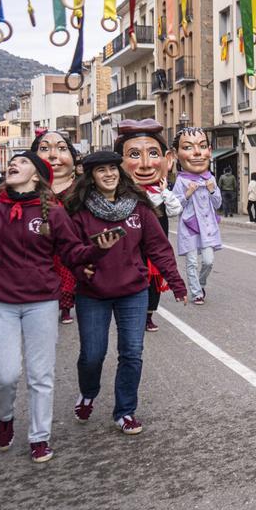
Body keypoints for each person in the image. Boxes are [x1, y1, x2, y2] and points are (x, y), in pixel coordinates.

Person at [0, 153, 118, 463]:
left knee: (40, 374)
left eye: (22, 162)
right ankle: (5, 416)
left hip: (41, 302)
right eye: (13, 162)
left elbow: (73, 252)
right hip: (0, 302)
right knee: (4, 375)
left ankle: (39, 437)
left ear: (37, 175)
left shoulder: (53, 214)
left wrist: (97, 250)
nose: (14, 164)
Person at [64, 151, 187, 435]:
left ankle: (125, 411)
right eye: (101, 170)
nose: (109, 174)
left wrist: (176, 283)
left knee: (132, 352)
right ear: (91, 177)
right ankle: (88, 392)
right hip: (93, 294)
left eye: (113, 169)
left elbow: (158, 248)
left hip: (133, 290)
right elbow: (69, 252)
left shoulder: (139, 208)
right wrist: (83, 269)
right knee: (93, 355)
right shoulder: (79, 212)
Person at [114, 119, 182, 334]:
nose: (145, 163)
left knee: (153, 281)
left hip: (156, 248)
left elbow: (174, 210)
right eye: (134, 154)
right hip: (129, 249)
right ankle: (131, 314)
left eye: (153, 154)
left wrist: (164, 192)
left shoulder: (161, 193)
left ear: (167, 160)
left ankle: (149, 315)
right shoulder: (119, 194)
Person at [32, 129, 81, 325]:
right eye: (44, 149)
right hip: (40, 244)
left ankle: (66, 307)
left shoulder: (82, 187)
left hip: (69, 244)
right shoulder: (30, 187)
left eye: (61, 149)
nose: (53, 155)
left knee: (67, 274)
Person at [171, 128, 222, 306]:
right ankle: (196, 293)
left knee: (208, 261)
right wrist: (187, 193)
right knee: (192, 262)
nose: (198, 153)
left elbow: (218, 204)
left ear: (209, 150)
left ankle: (200, 284)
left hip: (207, 227)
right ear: (177, 154)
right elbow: (175, 206)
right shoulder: (181, 181)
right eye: (188, 147)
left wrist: (212, 189)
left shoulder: (211, 178)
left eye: (202, 146)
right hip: (189, 227)